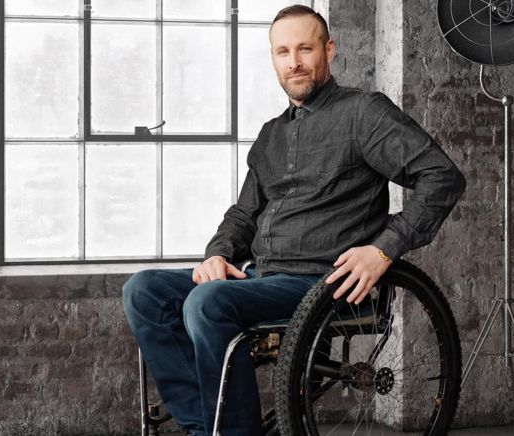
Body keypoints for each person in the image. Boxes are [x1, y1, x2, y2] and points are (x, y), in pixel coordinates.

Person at [122, 5, 466, 436]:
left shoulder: (364, 113)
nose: (294, 61)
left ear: (329, 50)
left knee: (207, 303)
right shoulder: (271, 134)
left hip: (324, 284)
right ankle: (203, 425)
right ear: (273, 59)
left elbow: (442, 176)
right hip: (260, 277)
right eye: (283, 51)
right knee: (143, 291)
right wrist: (217, 253)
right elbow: (243, 215)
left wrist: (384, 249)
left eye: (305, 48)